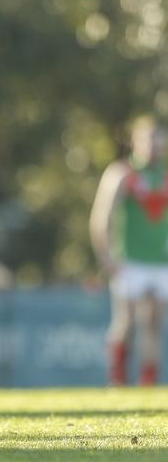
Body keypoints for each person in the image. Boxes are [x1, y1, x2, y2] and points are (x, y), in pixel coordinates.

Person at [90, 116, 168, 387]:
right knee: (126, 323)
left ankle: (148, 382)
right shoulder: (123, 173)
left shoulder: (165, 174)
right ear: (136, 141)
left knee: (153, 322)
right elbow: (102, 217)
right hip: (129, 260)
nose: (155, 145)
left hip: (161, 261)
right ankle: (118, 379)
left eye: (160, 139)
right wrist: (107, 257)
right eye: (149, 139)